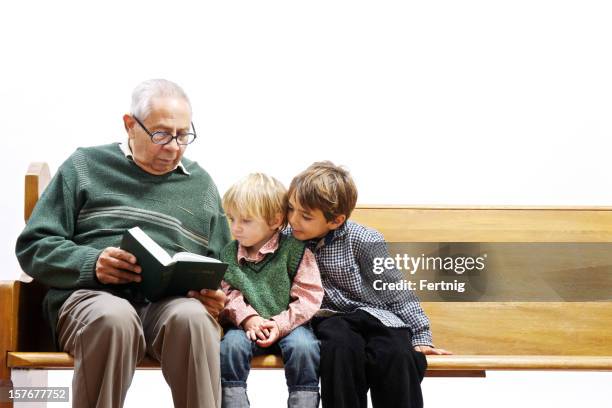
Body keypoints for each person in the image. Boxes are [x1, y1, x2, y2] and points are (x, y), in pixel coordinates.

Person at [15, 79, 231, 408]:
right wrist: (93, 263)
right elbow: (34, 246)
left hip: (169, 308)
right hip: (94, 300)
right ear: (130, 125)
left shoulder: (201, 185)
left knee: (195, 321)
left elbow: (223, 267)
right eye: (161, 134)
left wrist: (217, 298)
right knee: (114, 318)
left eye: (183, 135)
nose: (173, 146)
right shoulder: (85, 166)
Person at [286, 161, 452, 408]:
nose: (293, 220)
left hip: (377, 316)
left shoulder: (363, 239)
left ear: (335, 220)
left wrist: (421, 336)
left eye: (305, 216)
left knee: (397, 352)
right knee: (339, 350)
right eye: (290, 209)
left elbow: (395, 288)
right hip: (332, 318)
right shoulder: (288, 241)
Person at [218, 173, 323, 408]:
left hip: (290, 325)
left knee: (305, 348)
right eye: (231, 218)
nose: (235, 228)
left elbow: (308, 297)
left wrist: (278, 324)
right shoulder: (228, 254)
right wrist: (248, 319)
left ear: (275, 220)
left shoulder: (295, 250)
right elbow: (228, 294)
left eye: (245, 220)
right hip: (246, 327)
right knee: (230, 347)